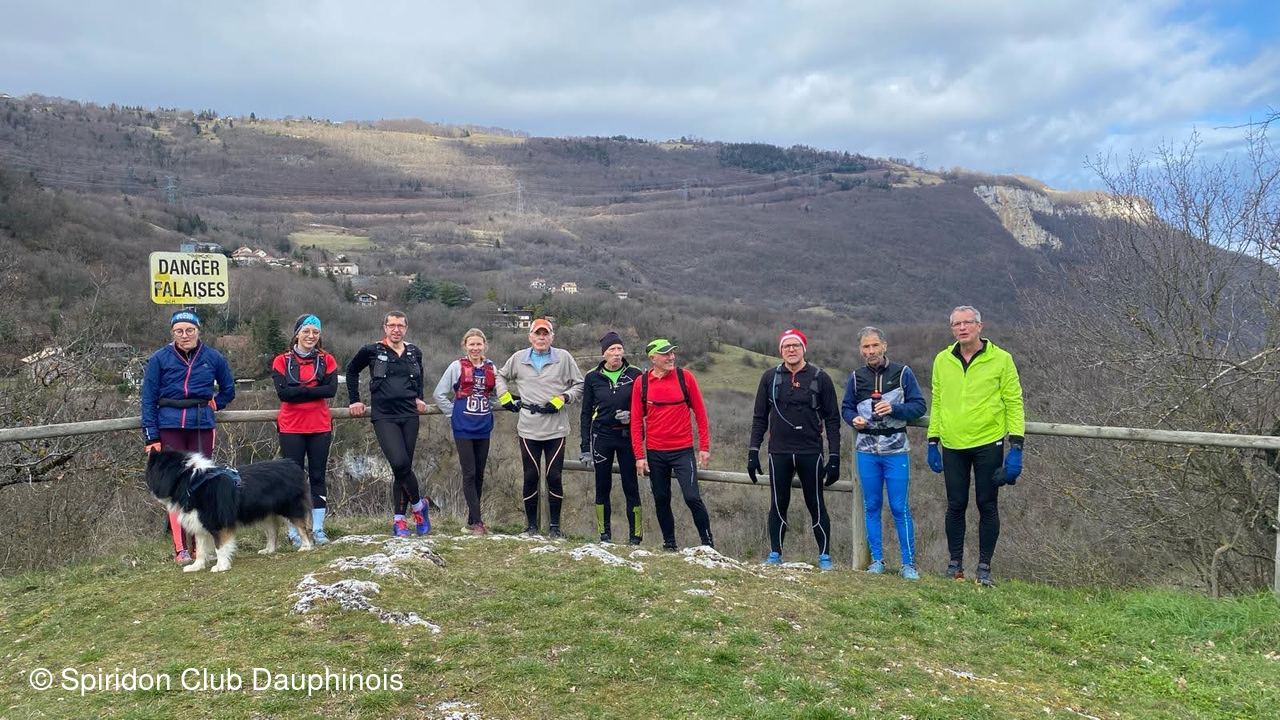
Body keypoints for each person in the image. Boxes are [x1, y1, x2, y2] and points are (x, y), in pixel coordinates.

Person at [926, 305, 1025, 587]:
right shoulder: (942, 360)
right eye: (956, 324)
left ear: (980, 326)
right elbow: (938, 401)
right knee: (955, 504)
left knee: (987, 504)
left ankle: (984, 568)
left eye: (967, 322)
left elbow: (1014, 402)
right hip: (953, 444)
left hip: (988, 442)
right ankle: (954, 565)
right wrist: (933, 440)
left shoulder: (1001, 359)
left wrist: (1016, 445)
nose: (962, 328)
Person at [140, 308, 236, 563]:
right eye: (179, 331)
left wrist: (217, 403)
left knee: (202, 484)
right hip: (169, 425)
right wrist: (151, 437)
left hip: (201, 425)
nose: (185, 335)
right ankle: (181, 548)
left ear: (198, 331)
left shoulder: (213, 357)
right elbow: (148, 399)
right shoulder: (159, 359)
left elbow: (229, 388)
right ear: (172, 333)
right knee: (173, 487)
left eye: (189, 330)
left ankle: (200, 548)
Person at [748, 329, 842, 570]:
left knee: (816, 503)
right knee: (778, 503)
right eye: (786, 346)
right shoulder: (770, 377)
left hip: (810, 451)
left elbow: (833, 420)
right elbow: (760, 417)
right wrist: (753, 451)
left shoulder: (820, 377)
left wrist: (834, 457)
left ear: (804, 349)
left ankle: (824, 556)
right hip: (778, 451)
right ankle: (775, 554)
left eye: (796, 345)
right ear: (780, 350)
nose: (791, 349)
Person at [841, 326, 927, 579]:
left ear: (884, 346)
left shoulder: (903, 373)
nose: (871, 351)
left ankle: (908, 564)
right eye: (866, 347)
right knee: (872, 505)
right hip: (866, 450)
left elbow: (919, 406)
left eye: (875, 345)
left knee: (900, 507)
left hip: (896, 450)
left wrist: (894, 409)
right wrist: (853, 418)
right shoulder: (856, 377)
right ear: (860, 350)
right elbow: (846, 407)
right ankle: (877, 560)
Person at [496, 318, 585, 538]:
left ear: (552, 337)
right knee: (530, 476)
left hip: (556, 428)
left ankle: (555, 527)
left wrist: (564, 398)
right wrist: (504, 396)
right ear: (530, 336)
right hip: (528, 427)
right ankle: (531, 527)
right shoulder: (518, 358)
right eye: (538, 333)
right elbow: (500, 375)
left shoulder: (563, 357)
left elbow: (579, 384)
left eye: (546, 334)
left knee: (554, 476)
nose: (541, 337)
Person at [346, 310, 431, 537]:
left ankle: (399, 521)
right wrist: (354, 400)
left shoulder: (414, 352)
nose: (396, 329)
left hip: (409, 415)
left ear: (406, 328)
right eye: (392, 325)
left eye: (400, 326)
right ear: (385, 328)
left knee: (402, 469)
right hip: (384, 416)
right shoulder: (372, 350)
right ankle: (419, 507)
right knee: (400, 463)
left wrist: (420, 397)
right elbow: (351, 371)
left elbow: (419, 376)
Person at [630, 338, 715, 550]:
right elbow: (635, 421)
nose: (671, 357)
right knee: (661, 499)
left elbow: (701, 414)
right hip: (655, 452)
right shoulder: (642, 383)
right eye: (666, 354)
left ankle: (707, 543)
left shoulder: (685, 377)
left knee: (692, 497)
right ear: (653, 358)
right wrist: (639, 456)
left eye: (672, 353)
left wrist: (704, 447)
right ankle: (669, 544)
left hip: (683, 451)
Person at [271, 313, 339, 546]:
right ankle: (295, 530)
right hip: (291, 426)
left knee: (318, 475)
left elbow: (330, 390)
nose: (311, 336)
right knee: (293, 477)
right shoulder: (281, 360)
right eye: (306, 331)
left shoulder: (326, 360)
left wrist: (298, 391)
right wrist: (313, 391)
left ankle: (318, 528)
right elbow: (283, 394)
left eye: (315, 332)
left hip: (319, 425)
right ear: (297, 333)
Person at [433, 328, 506, 535]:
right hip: (463, 427)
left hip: (483, 426)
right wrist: (453, 413)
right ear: (465, 346)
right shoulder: (456, 367)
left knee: (480, 474)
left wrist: (491, 405)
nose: (475, 348)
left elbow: (494, 395)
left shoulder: (491, 367)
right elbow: (439, 394)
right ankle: (478, 523)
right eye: (471, 344)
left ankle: (471, 522)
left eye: (478, 344)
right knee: (469, 473)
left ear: (485, 346)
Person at [579, 330, 644, 544]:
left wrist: (632, 416)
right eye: (612, 349)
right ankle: (604, 535)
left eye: (619, 349)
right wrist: (585, 447)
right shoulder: (592, 377)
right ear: (604, 353)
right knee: (602, 486)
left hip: (627, 437)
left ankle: (636, 537)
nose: (616, 353)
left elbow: (645, 407)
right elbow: (585, 413)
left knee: (631, 487)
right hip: (601, 437)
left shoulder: (635, 374)